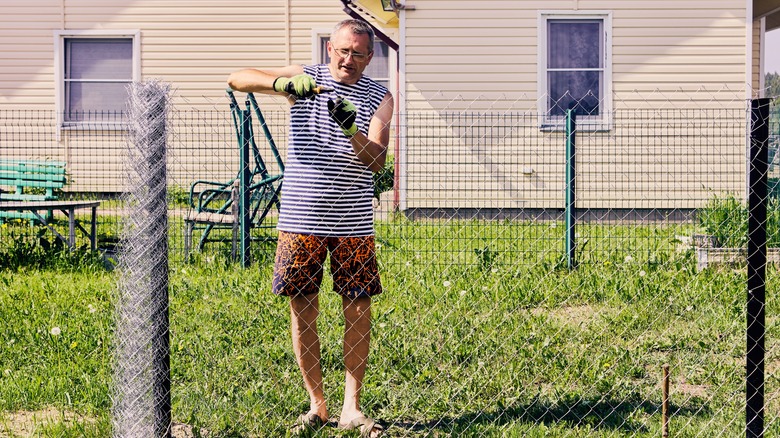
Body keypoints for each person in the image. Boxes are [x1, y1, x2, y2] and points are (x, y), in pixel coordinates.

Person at [227, 18, 393, 438]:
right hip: (301, 217)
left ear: (370, 58)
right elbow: (237, 79)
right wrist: (284, 87)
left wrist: (351, 127)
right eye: (342, 50)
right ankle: (317, 405)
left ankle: (350, 407)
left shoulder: (381, 97)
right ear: (329, 50)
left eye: (358, 53)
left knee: (357, 309)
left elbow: (376, 163)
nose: (348, 60)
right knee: (303, 308)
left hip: (353, 222)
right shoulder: (308, 79)